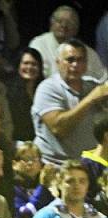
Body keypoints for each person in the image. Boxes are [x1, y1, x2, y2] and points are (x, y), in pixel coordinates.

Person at [32, 38, 108, 166]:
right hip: (55, 166)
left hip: (88, 166)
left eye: (80, 60)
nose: (75, 65)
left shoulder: (93, 85)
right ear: (58, 62)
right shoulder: (48, 88)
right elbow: (58, 128)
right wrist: (90, 99)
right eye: (70, 60)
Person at [29, 5, 107, 81]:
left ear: (76, 28)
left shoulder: (88, 52)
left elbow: (102, 77)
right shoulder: (38, 44)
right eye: (59, 21)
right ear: (51, 23)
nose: (64, 25)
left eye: (70, 23)